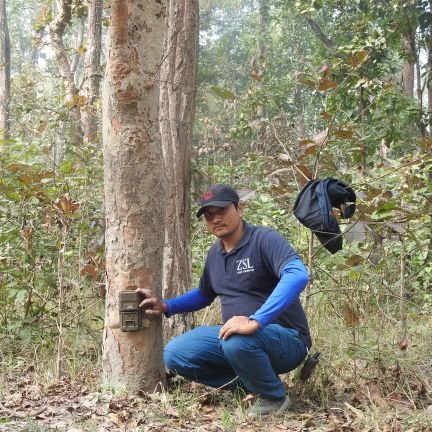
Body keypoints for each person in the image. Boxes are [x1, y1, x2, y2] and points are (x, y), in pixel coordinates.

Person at [136, 184, 311, 417]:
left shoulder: (264, 240)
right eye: (209, 215)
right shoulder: (215, 254)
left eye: (222, 211)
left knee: (237, 339)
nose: (216, 219)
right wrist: (167, 305)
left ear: (240, 209)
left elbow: (298, 274)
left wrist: (256, 320)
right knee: (175, 354)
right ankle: (253, 386)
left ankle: (273, 397)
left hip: (287, 339)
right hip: (238, 338)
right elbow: (204, 294)